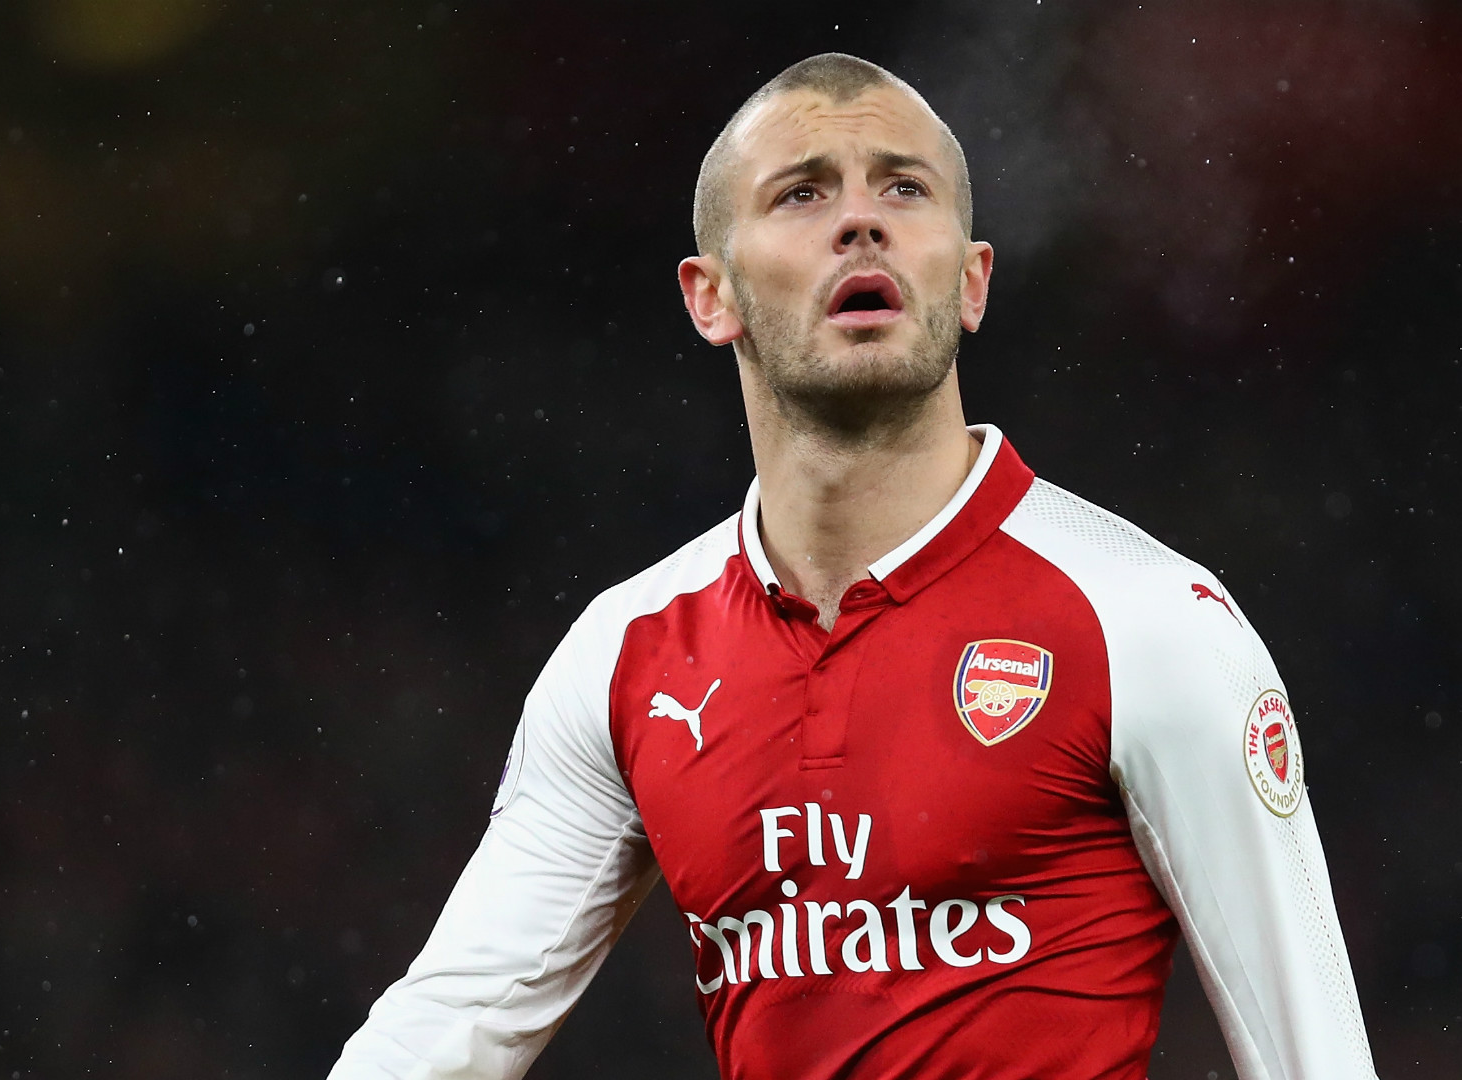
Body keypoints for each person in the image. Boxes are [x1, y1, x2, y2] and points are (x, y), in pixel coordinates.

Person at [330, 52, 1376, 1080]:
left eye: (904, 189)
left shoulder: (1149, 622)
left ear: (971, 281)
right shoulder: (625, 655)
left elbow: (1315, 1057)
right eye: (803, 192)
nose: (861, 221)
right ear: (711, 296)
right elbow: (444, 1030)